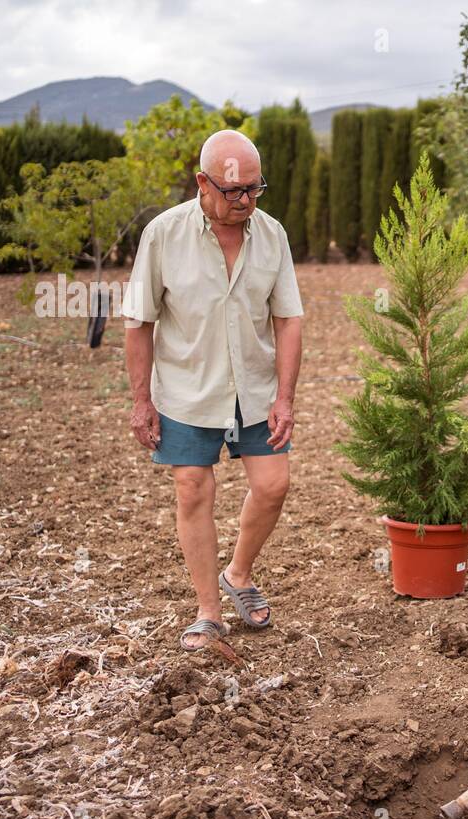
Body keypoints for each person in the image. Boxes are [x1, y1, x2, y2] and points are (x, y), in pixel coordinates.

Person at [122, 129, 304, 652]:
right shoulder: (162, 234)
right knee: (193, 489)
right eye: (233, 192)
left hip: (255, 387)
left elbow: (288, 319)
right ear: (202, 182)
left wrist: (285, 396)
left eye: (254, 189)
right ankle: (208, 611)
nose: (245, 201)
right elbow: (138, 323)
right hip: (185, 388)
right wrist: (141, 400)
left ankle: (239, 574)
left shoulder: (273, 235)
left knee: (273, 485)